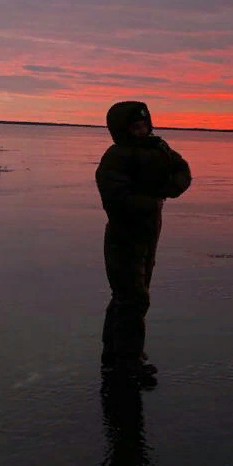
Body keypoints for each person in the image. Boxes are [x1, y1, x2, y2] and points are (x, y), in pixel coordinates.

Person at [96, 101, 191, 382]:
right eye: (135, 127)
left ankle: (118, 353)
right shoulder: (115, 157)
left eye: (144, 125)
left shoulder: (157, 148)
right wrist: (150, 201)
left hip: (149, 234)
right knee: (132, 298)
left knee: (134, 293)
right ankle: (126, 362)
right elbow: (116, 198)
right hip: (123, 236)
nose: (141, 131)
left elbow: (182, 169)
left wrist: (169, 188)